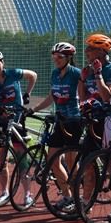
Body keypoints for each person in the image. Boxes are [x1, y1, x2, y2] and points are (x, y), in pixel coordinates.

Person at [0, 48, 38, 205]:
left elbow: (33, 75)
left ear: (2, 63)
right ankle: (4, 192)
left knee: (21, 157)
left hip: (17, 118)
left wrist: (27, 93)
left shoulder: (14, 73)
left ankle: (27, 194)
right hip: (0, 121)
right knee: (1, 158)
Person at [31, 41, 83, 211]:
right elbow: (51, 97)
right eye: (54, 56)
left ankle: (78, 198)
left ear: (68, 57)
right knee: (52, 160)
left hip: (74, 121)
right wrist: (33, 109)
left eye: (59, 57)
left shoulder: (76, 74)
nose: (56, 60)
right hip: (60, 121)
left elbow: (83, 95)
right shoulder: (54, 74)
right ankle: (68, 196)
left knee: (71, 161)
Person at [78, 33, 111, 156]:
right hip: (93, 119)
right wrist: (82, 80)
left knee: (110, 162)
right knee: (87, 162)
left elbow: (107, 96)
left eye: (90, 48)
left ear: (101, 51)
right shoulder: (89, 70)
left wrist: (98, 75)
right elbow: (83, 98)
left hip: (108, 118)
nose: (86, 51)